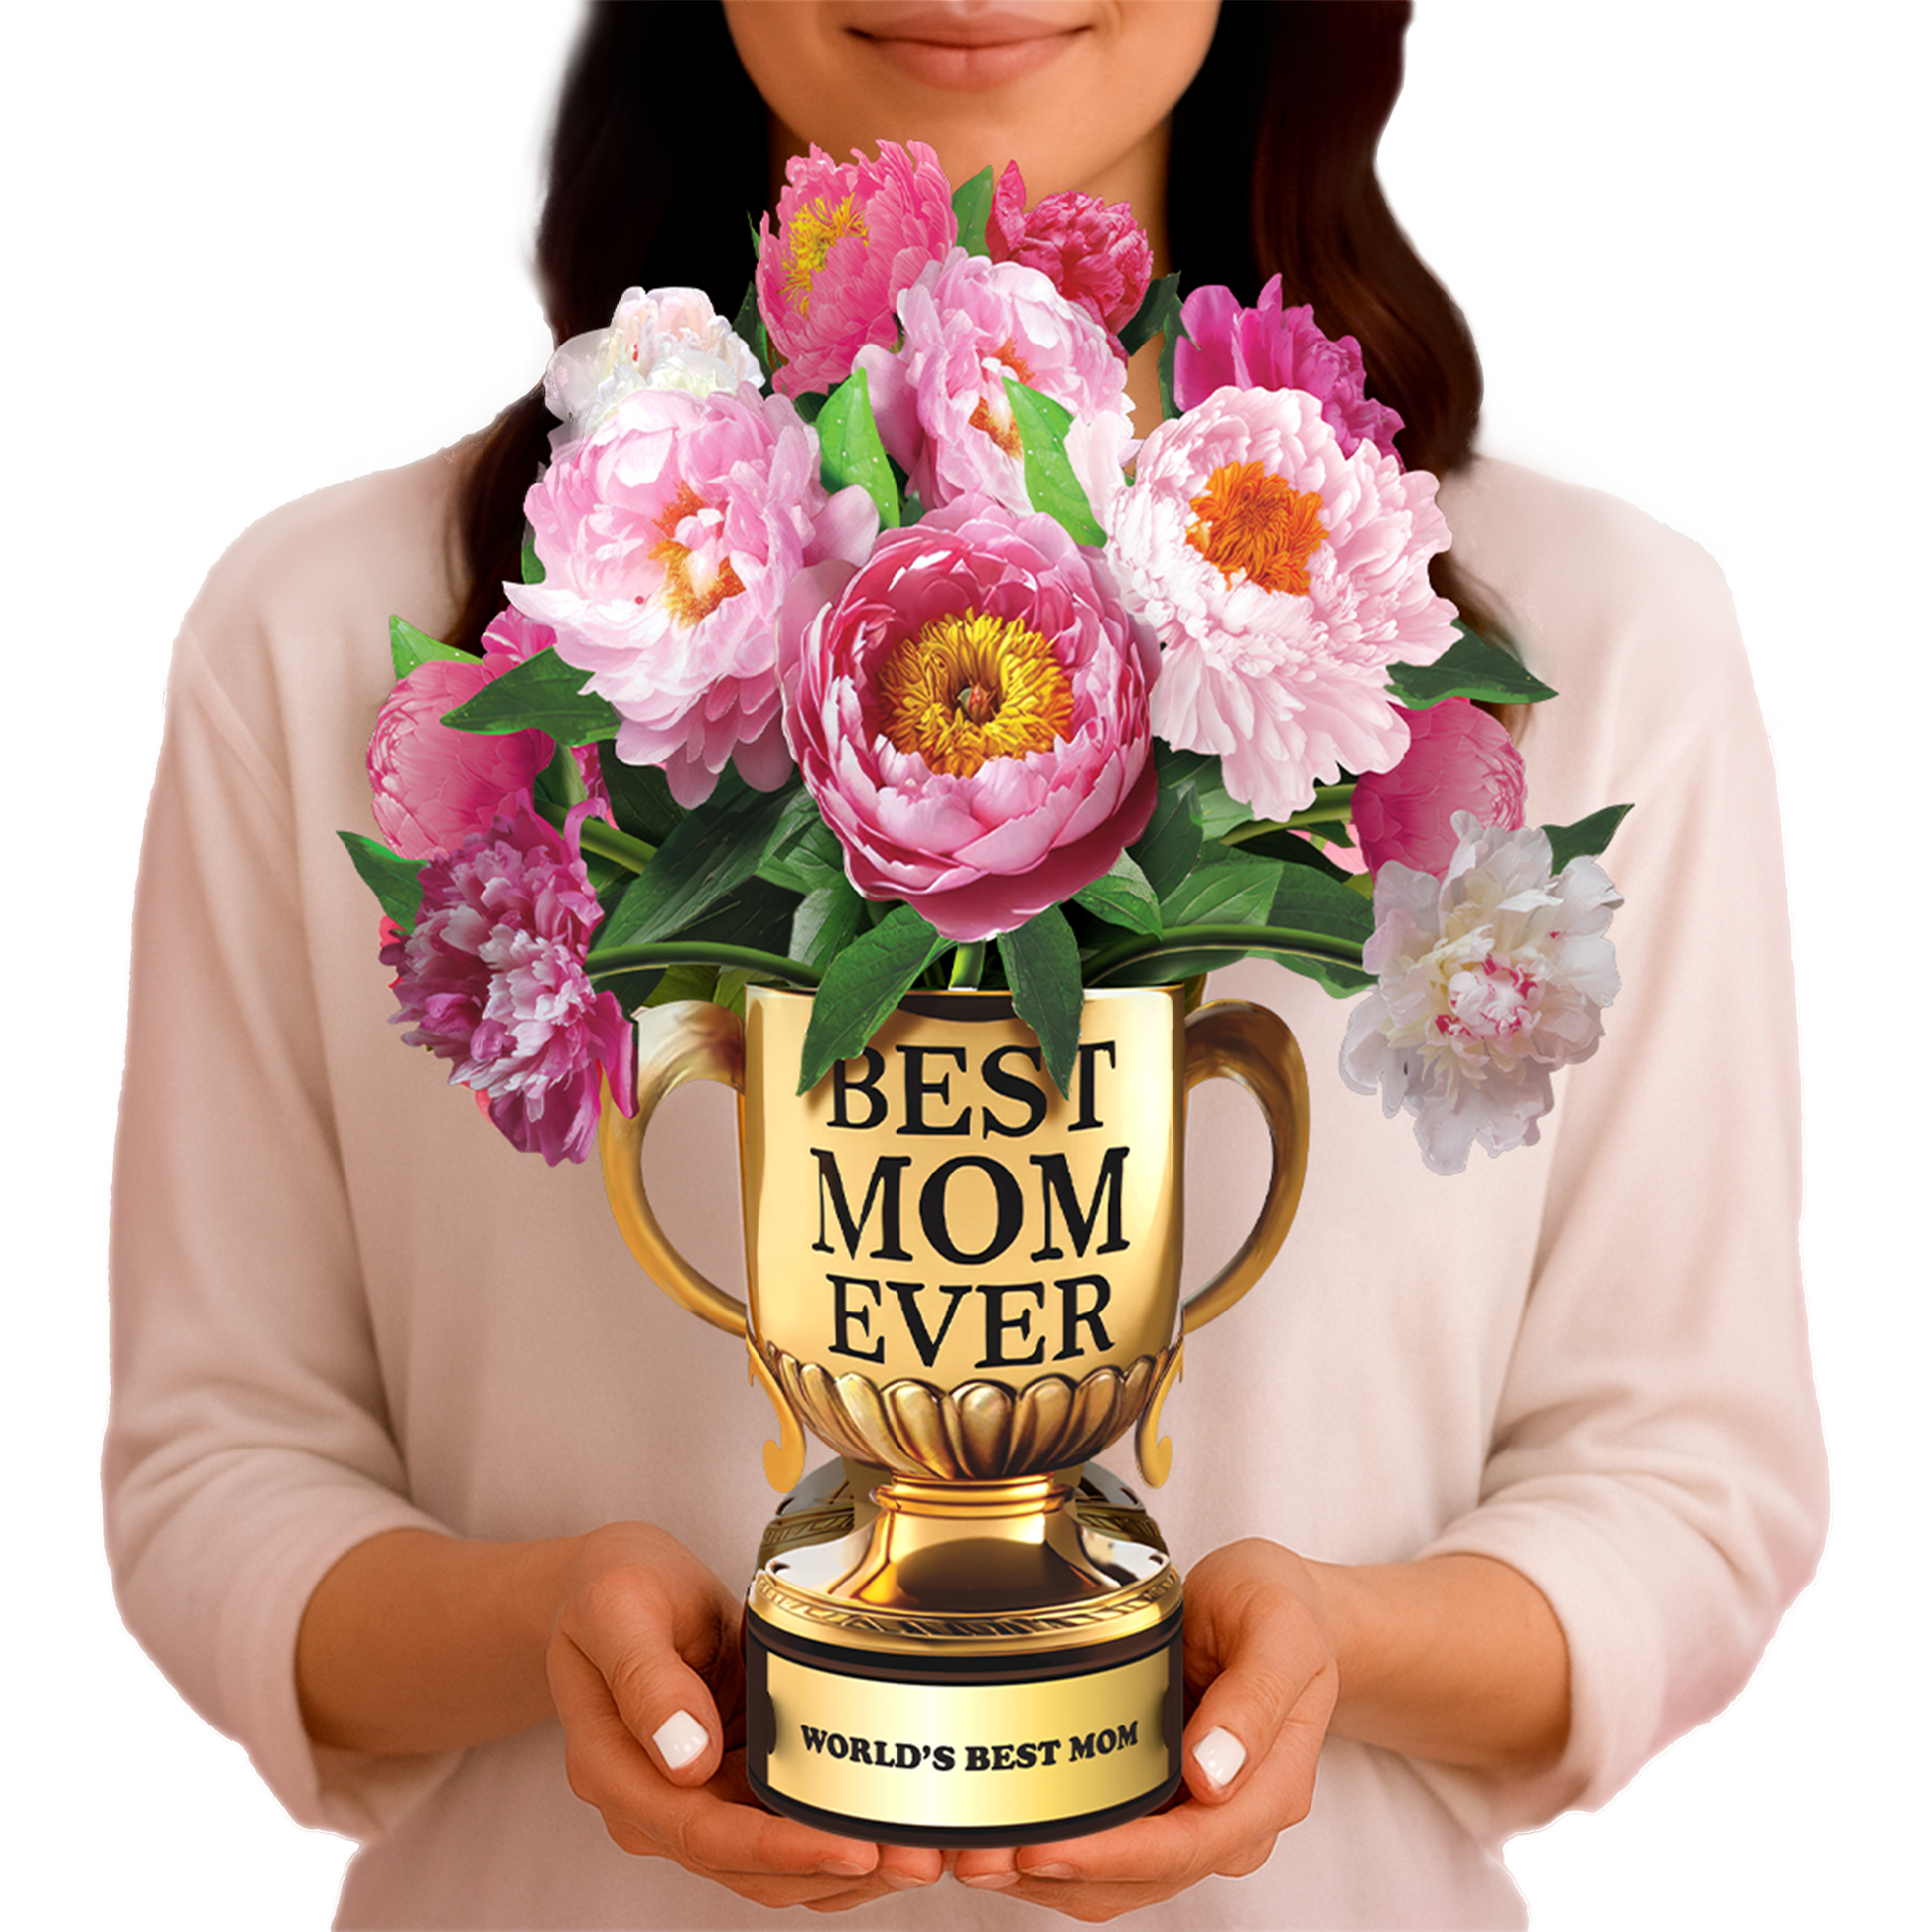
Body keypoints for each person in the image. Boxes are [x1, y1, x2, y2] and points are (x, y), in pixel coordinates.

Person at [105, 3, 1826, 1925]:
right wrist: (544, 1626)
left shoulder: (1601, 645)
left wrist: (1335, 1647)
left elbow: (1681, 1481)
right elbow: (220, 1470)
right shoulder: (331, 638)